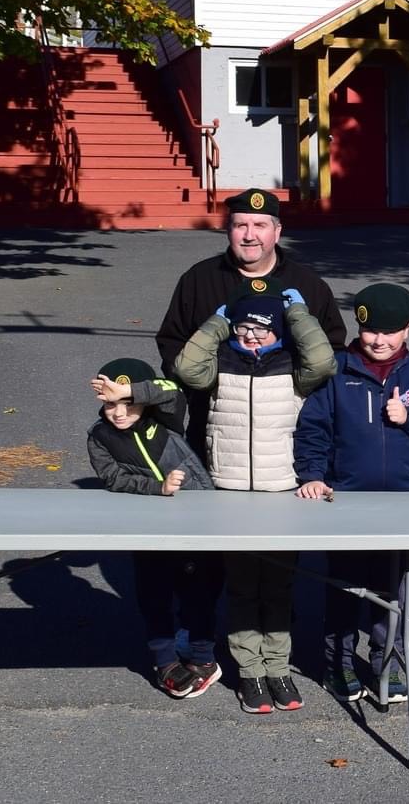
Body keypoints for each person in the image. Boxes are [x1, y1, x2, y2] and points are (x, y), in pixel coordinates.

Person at [174, 284, 336, 714]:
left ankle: (278, 669)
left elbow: (323, 359)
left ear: (279, 332)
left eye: (262, 329)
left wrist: (298, 313)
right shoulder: (220, 364)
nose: (251, 336)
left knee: (278, 588)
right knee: (244, 590)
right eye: (243, 327)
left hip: (281, 491)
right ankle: (250, 674)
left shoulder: (293, 367)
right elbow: (186, 368)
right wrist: (217, 322)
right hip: (230, 493)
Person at [294, 283, 409, 704]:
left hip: (400, 503)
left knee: (391, 588)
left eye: (389, 331)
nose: (378, 339)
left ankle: (386, 661)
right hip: (346, 500)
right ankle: (337, 663)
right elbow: (314, 428)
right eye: (369, 330)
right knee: (344, 586)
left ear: (408, 329)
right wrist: (312, 474)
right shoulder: (338, 370)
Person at [84, 357, 224, 701]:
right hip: (147, 527)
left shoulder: (165, 417)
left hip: (194, 521)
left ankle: (204, 658)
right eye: (110, 404)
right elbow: (113, 478)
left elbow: (171, 388)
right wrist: (157, 488)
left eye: (127, 403)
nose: (118, 412)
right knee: (154, 594)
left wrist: (129, 389)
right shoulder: (99, 437)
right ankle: (165, 662)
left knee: (199, 593)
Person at [155, 188, 346, 416]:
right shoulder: (199, 279)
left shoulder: (309, 285)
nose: (249, 235)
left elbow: (332, 350)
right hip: (214, 424)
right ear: (228, 230)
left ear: (277, 232)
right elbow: (173, 343)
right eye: (240, 225)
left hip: (288, 426)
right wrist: (200, 392)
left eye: (259, 226)